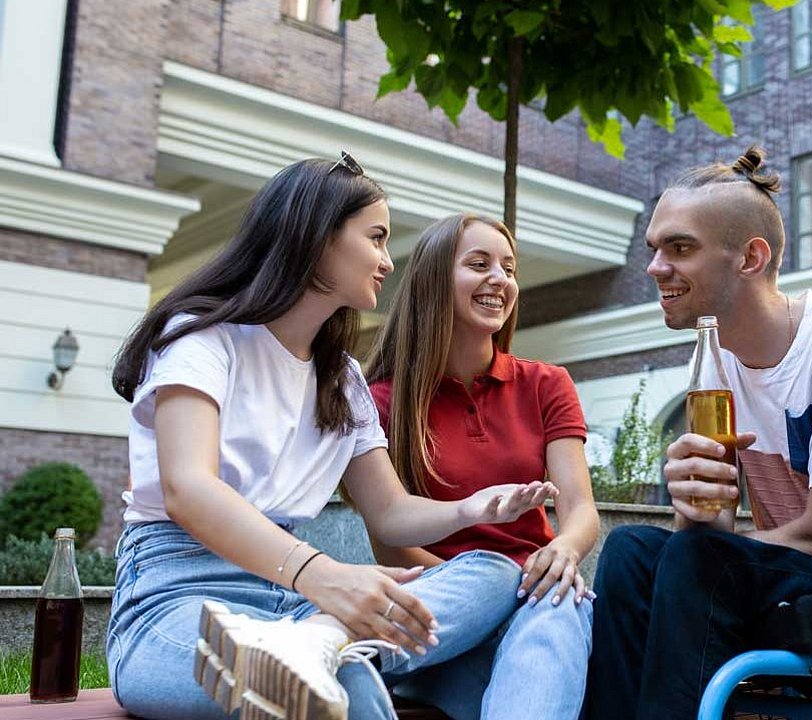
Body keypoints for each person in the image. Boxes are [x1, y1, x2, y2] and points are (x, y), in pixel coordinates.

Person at [107, 155, 556, 720]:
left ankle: (319, 639)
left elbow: (390, 514)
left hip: (298, 608)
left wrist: (469, 509)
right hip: (177, 598)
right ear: (318, 236)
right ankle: (322, 644)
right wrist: (322, 575)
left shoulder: (340, 378)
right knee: (343, 688)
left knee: (492, 571)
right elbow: (188, 488)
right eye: (376, 238)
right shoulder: (202, 339)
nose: (389, 262)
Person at [584, 146, 812, 720]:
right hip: (776, 577)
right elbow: (710, 531)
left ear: (750, 257)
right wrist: (695, 504)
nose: (655, 268)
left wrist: (700, 546)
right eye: (654, 249)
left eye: (680, 248)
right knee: (629, 549)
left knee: (691, 560)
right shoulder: (714, 364)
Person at [361, 213, 598, 720]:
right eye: (479, 263)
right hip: (439, 609)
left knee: (560, 604)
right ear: (434, 281)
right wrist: (491, 593)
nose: (500, 279)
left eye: (508, 268)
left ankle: (339, 652)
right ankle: (342, 643)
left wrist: (562, 552)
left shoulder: (545, 384)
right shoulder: (381, 401)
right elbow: (392, 542)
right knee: (497, 581)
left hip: (533, 600)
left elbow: (579, 509)